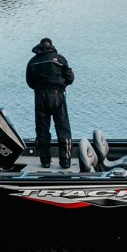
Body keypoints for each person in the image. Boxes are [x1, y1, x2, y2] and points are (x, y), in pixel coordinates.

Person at [26, 38, 75, 168]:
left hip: (40, 96)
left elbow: (30, 82)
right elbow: (70, 77)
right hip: (57, 95)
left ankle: (45, 162)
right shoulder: (59, 59)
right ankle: (65, 162)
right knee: (63, 129)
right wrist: (64, 83)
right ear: (51, 46)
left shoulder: (32, 62)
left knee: (42, 129)